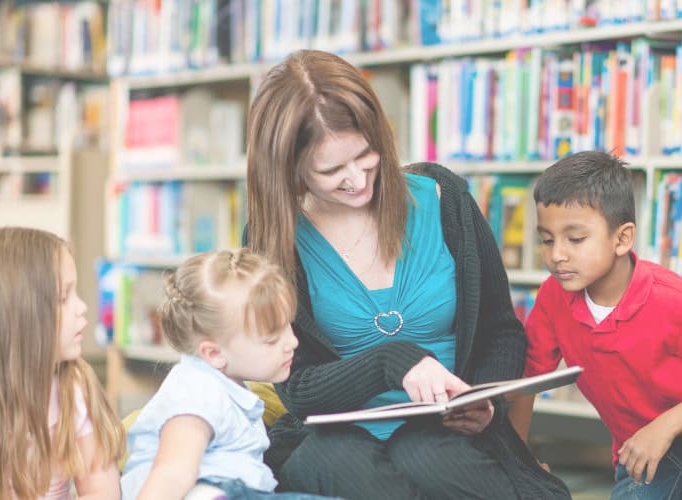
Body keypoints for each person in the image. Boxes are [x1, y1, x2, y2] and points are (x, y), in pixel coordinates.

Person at [244, 49, 569, 500]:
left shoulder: (445, 200)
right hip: (337, 434)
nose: (357, 180)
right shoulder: (272, 240)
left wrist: (485, 402)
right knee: (346, 465)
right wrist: (390, 362)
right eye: (331, 170)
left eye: (365, 155)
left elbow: (502, 333)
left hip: (446, 428)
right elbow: (296, 386)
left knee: (428, 454)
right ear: (289, 168)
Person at [517, 151, 682, 499]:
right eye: (547, 240)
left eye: (575, 239)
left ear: (623, 239)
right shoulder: (553, 298)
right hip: (644, 455)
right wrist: (518, 461)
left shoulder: (674, 299)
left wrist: (664, 428)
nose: (557, 255)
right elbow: (527, 381)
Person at [121, 249, 332, 500]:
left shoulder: (225, 385)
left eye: (288, 326)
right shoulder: (197, 390)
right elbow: (172, 473)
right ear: (213, 353)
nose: (292, 342)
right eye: (271, 339)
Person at [0, 226, 125, 499]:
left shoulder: (73, 387)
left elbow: (103, 492)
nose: (82, 306)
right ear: (21, 317)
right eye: (64, 297)